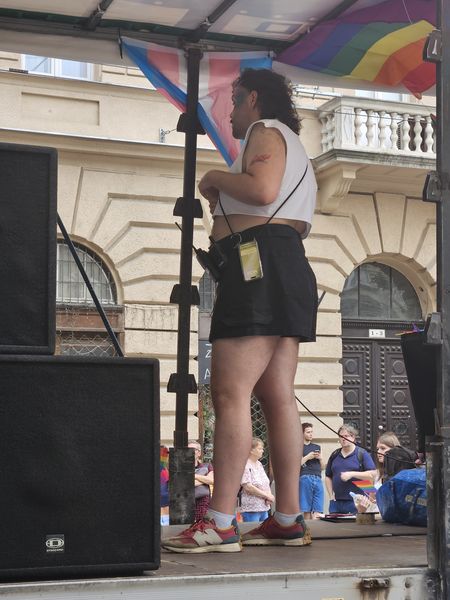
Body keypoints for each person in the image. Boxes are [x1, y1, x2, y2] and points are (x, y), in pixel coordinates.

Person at [162, 68, 317, 553]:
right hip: (283, 261)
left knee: (230, 393)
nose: (229, 113)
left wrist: (213, 178)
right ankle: (287, 518)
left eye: (233, 101)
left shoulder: (264, 131)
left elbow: (263, 190)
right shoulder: (294, 145)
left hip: (258, 265)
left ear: (253, 98)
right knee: (277, 396)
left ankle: (221, 522)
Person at [325, 424, 376, 514]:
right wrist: (331, 495)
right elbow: (328, 476)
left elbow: (372, 474)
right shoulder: (335, 454)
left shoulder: (362, 454)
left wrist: (351, 474)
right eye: (341, 436)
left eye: (346, 436)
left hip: (357, 502)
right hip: (336, 502)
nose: (343, 439)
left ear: (353, 437)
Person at [240, 438, 275, 522]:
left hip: (264, 507)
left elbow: (265, 482)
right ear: (251, 450)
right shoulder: (245, 465)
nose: (262, 451)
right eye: (260, 448)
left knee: (264, 530)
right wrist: (266, 495)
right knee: (253, 529)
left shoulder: (259, 464)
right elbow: (248, 486)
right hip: (252, 508)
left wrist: (269, 496)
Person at [300, 423, 324, 519]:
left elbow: (323, 467)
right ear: (302, 433)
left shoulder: (317, 446)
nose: (311, 434)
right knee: (307, 510)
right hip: (305, 477)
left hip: (318, 478)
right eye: (308, 432)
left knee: (318, 509)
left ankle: (316, 527)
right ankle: (307, 528)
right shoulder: (298, 447)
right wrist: (308, 457)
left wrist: (320, 458)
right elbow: (296, 464)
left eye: (311, 432)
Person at [188, 441, 214, 521]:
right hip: (185, 504)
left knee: (203, 527)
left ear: (199, 453)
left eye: (193, 449)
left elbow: (211, 480)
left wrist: (194, 476)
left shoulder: (207, 466)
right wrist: (204, 479)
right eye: (188, 449)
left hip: (203, 505)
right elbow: (187, 483)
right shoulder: (180, 468)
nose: (190, 452)